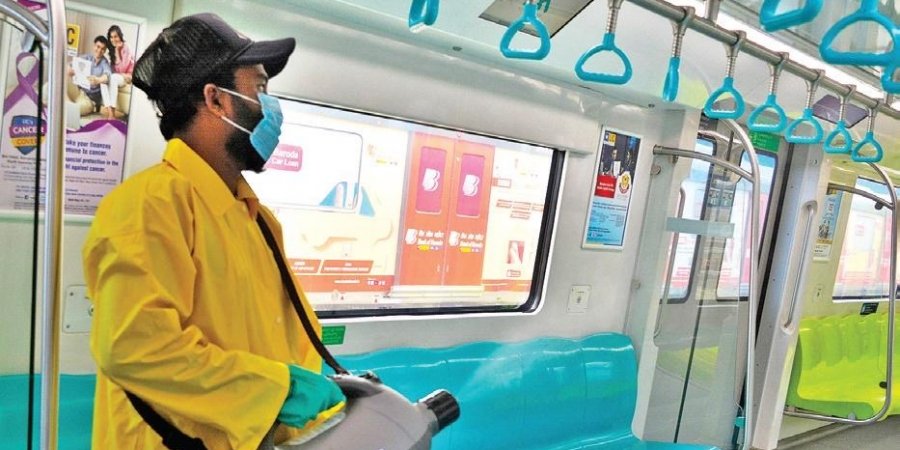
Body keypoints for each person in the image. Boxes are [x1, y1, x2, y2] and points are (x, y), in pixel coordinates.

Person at [82, 13, 346, 449]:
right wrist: (275, 390)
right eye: (259, 88)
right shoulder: (148, 206)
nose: (270, 107)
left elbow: (276, 345)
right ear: (216, 99)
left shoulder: (258, 220)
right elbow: (135, 348)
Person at [67, 35, 111, 115]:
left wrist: (98, 80)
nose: (99, 50)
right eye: (98, 47)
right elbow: (70, 64)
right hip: (78, 91)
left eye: (102, 49)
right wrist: (70, 69)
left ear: (105, 51)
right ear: (94, 46)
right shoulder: (87, 57)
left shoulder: (104, 63)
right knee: (56, 84)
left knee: (76, 110)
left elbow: (107, 76)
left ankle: (67, 106)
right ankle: (65, 104)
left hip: (89, 99)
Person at [101, 25, 135, 120]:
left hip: (127, 76)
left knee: (113, 78)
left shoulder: (126, 47)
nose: (113, 39)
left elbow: (123, 68)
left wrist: (117, 51)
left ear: (120, 36)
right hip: (118, 76)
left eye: (115, 36)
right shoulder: (112, 49)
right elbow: (114, 70)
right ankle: (110, 112)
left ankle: (113, 111)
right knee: (103, 81)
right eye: (111, 37)